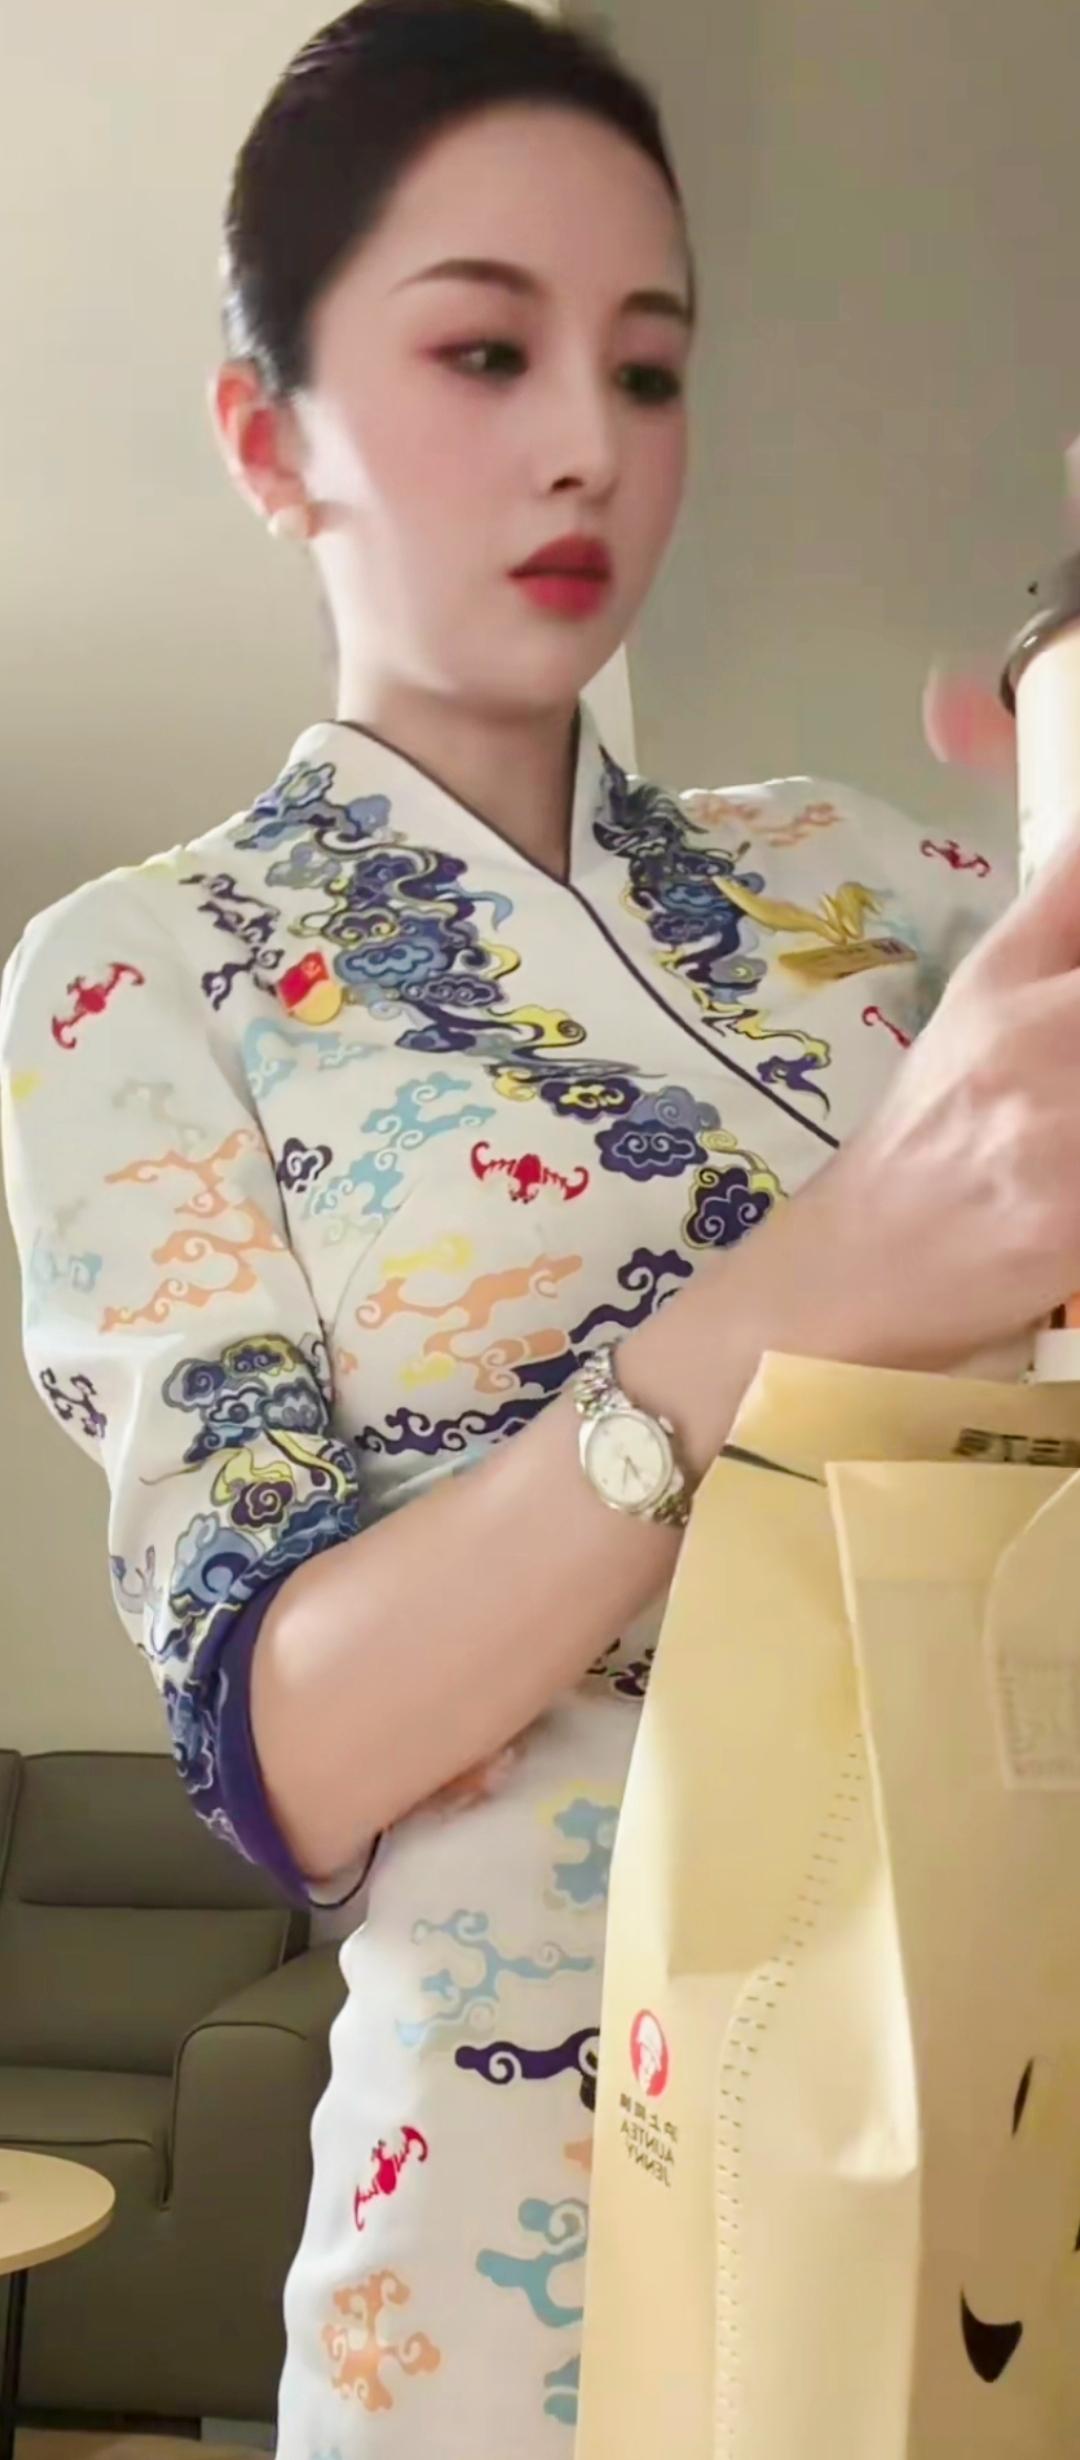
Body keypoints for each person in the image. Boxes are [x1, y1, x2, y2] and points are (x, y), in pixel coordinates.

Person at [4, 1, 1080, 2447]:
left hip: (1004, 2118)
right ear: (269, 438)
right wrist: (807, 1298)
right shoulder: (145, 973)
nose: (590, 438)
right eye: (485, 351)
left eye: (650, 364)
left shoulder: (863, 881)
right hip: (538, 2257)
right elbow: (285, 1747)